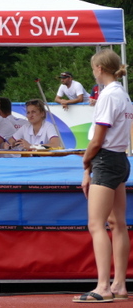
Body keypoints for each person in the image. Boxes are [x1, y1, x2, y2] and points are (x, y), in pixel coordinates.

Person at [72, 49, 132, 303]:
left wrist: (86, 162)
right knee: (118, 223)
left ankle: (103, 287)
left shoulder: (108, 96)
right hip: (120, 159)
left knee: (96, 224)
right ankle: (119, 285)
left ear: (99, 68)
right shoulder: (124, 95)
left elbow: (97, 140)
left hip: (106, 160)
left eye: (93, 68)